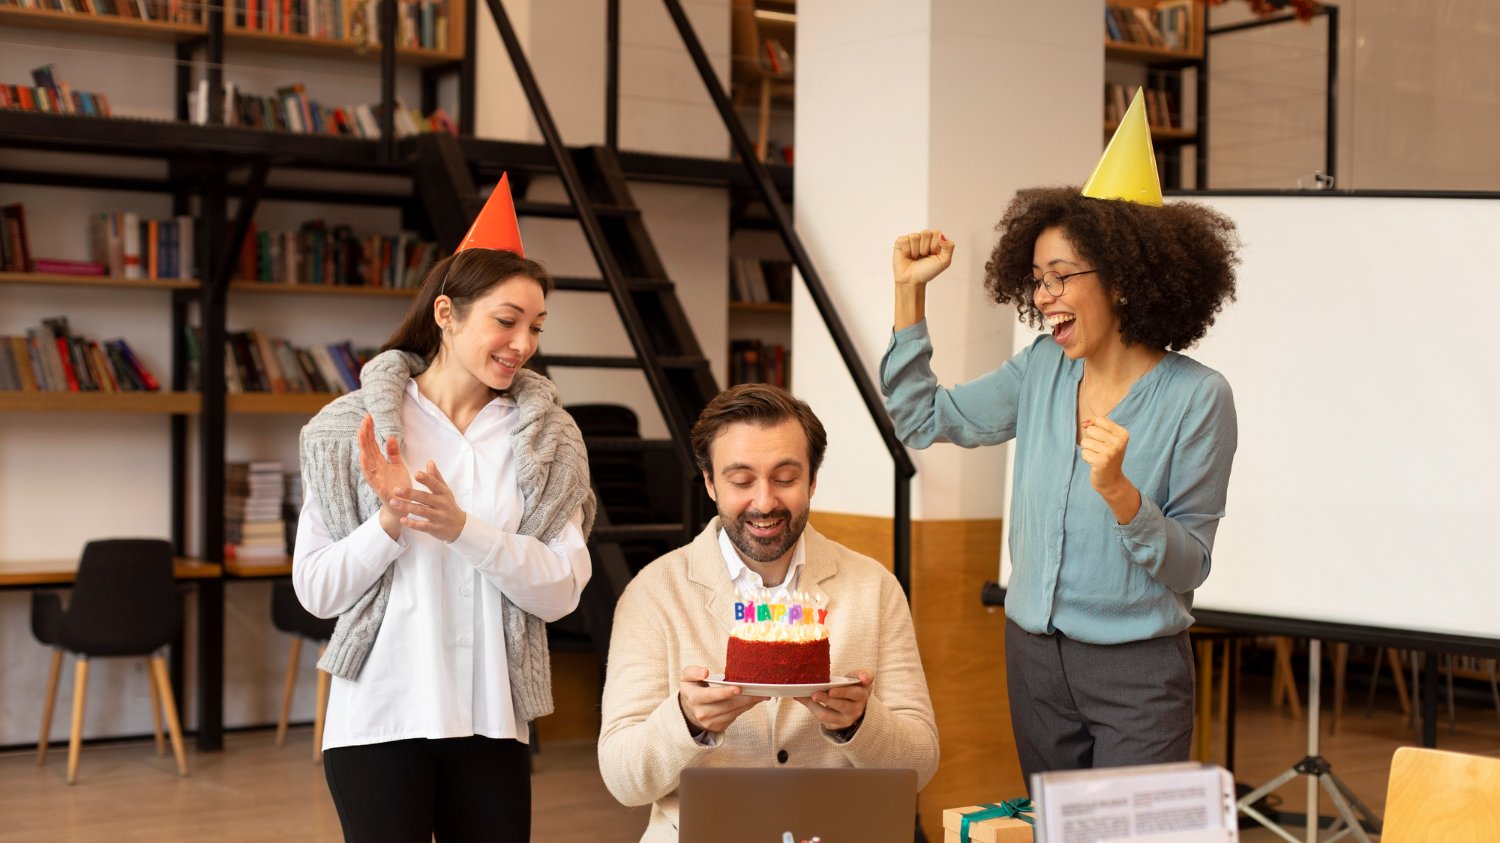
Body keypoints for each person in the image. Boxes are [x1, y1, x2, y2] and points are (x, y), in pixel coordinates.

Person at [880, 93, 1240, 785]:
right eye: (1037, 280)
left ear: (1128, 280)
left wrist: (1122, 494)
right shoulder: (1042, 367)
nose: (1043, 297)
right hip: (1034, 658)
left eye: (1062, 277)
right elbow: (924, 418)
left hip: (1137, 671)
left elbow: (1190, 563)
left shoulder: (1199, 397)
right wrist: (907, 295)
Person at [293, 175, 595, 843]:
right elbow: (315, 589)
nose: (522, 343)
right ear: (446, 314)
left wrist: (465, 530)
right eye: (506, 321)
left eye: (535, 327)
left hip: (492, 719)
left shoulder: (549, 442)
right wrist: (391, 520)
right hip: (376, 717)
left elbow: (564, 589)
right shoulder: (347, 431)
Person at [597, 384, 938, 843]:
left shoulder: (873, 588)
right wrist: (687, 721)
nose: (764, 502)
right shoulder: (655, 593)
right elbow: (623, 780)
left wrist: (860, 723)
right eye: (740, 481)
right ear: (710, 483)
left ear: (813, 480)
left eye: (785, 478)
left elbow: (921, 765)